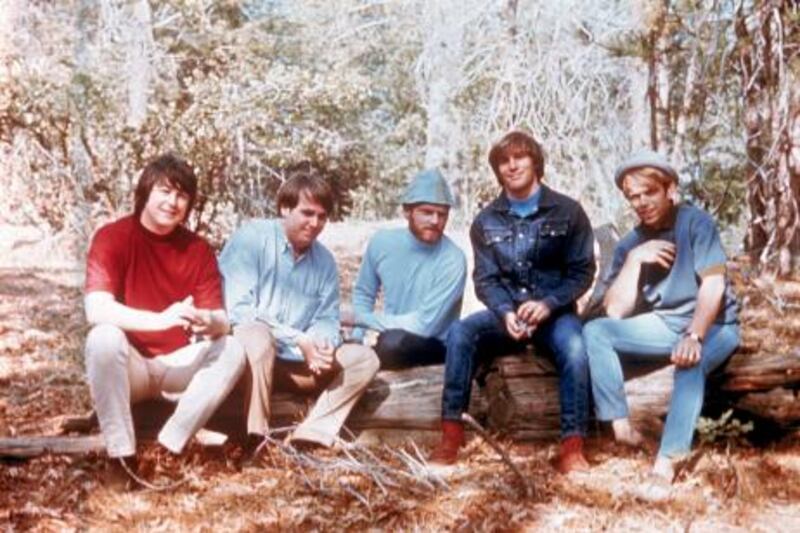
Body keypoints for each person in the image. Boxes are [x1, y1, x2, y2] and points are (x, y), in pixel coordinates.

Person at [430, 131, 596, 473]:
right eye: (504, 161)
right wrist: (504, 312)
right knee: (461, 333)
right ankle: (451, 434)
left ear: (535, 162)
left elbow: (582, 272)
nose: (512, 165)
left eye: (519, 157)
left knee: (577, 348)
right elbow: (486, 280)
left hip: (556, 315)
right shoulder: (486, 221)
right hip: (507, 316)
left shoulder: (569, 211)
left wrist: (549, 303)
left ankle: (572, 446)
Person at [583, 150, 739, 492]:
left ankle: (667, 464)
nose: (641, 202)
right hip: (664, 324)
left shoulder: (695, 223)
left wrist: (695, 336)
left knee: (688, 362)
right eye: (633, 196)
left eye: (649, 192)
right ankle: (623, 430)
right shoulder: (629, 245)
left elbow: (713, 286)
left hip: (714, 325)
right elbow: (615, 312)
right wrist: (635, 260)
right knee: (596, 332)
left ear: (669, 190)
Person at [84, 154, 245, 465]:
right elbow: (97, 309)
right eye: (165, 191)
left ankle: (169, 446)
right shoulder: (112, 237)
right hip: (129, 366)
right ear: (145, 192)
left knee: (233, 347)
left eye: (182, 195)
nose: (173, 202)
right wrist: (161, 320)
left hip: (177, 365)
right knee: (102, 337)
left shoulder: (197, 249)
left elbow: (222, 321)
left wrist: (207, 321)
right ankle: (121, 457)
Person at [219, 170, 379, 449]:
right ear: (285, 208)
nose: (314, 223)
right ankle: (255, 439)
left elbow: (327, 317)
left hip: (298, 362)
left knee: (364, 358)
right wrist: (299, 339)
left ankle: (312, 434)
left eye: (322, 216)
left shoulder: (325, 261)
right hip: (250, 361)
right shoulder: (251, 239)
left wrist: (323, 344)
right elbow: (239, 311)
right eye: (307, 213)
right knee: (256, 335)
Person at [343, 168, 467, 369]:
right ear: (407, 211)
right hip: (392, 336)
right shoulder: (382, 242)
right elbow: (365, 293)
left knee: (392, 344)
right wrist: (356, 337)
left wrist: (359, 319)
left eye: (442, 214)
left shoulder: (453, 259)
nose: (435, 221)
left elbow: (424, 325)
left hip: (435, 345)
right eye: (427, 212)